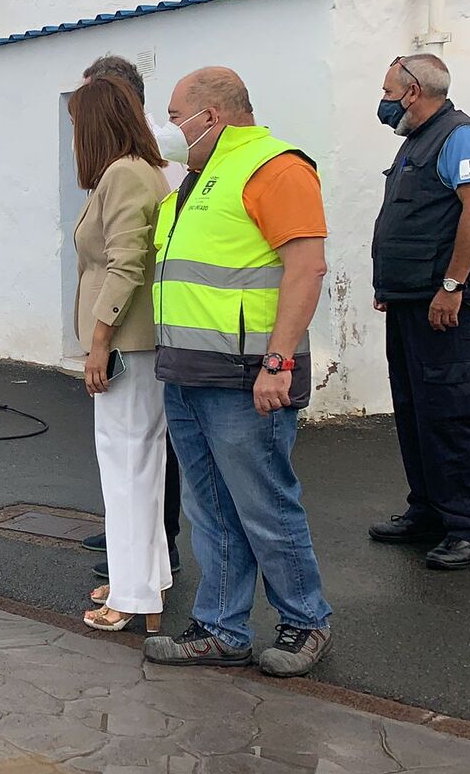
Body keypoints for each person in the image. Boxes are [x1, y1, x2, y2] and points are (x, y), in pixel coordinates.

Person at [142, 67, 333, 678]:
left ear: (212, 115)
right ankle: (220, 629)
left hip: (247, 376)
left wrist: (278, 362)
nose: (168, 129)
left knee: (264, 505)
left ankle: (305, 621)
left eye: (175, 117)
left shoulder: (275, 167)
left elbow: (306, 269)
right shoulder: (197, 180)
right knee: (212, 509)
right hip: (189, 373)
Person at [368, 54, 470, 570]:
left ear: (414, 90)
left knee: (450, 415)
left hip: (447, 307)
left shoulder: (461, 137)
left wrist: (452, 284)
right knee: (416, 410)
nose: (382, 101)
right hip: (410, 303)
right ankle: (428, 511)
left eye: (387, 90)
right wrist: (392, 286)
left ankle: (469, 527)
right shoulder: (416, 142)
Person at [69, 75, 174, 634]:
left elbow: (126, 262)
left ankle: (134, 597)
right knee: (138, 465)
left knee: (127, 468)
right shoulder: (132, 172)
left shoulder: (125, 174)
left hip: (128, 347)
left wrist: (100, 342)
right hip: (131, 345)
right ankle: (143, 585)